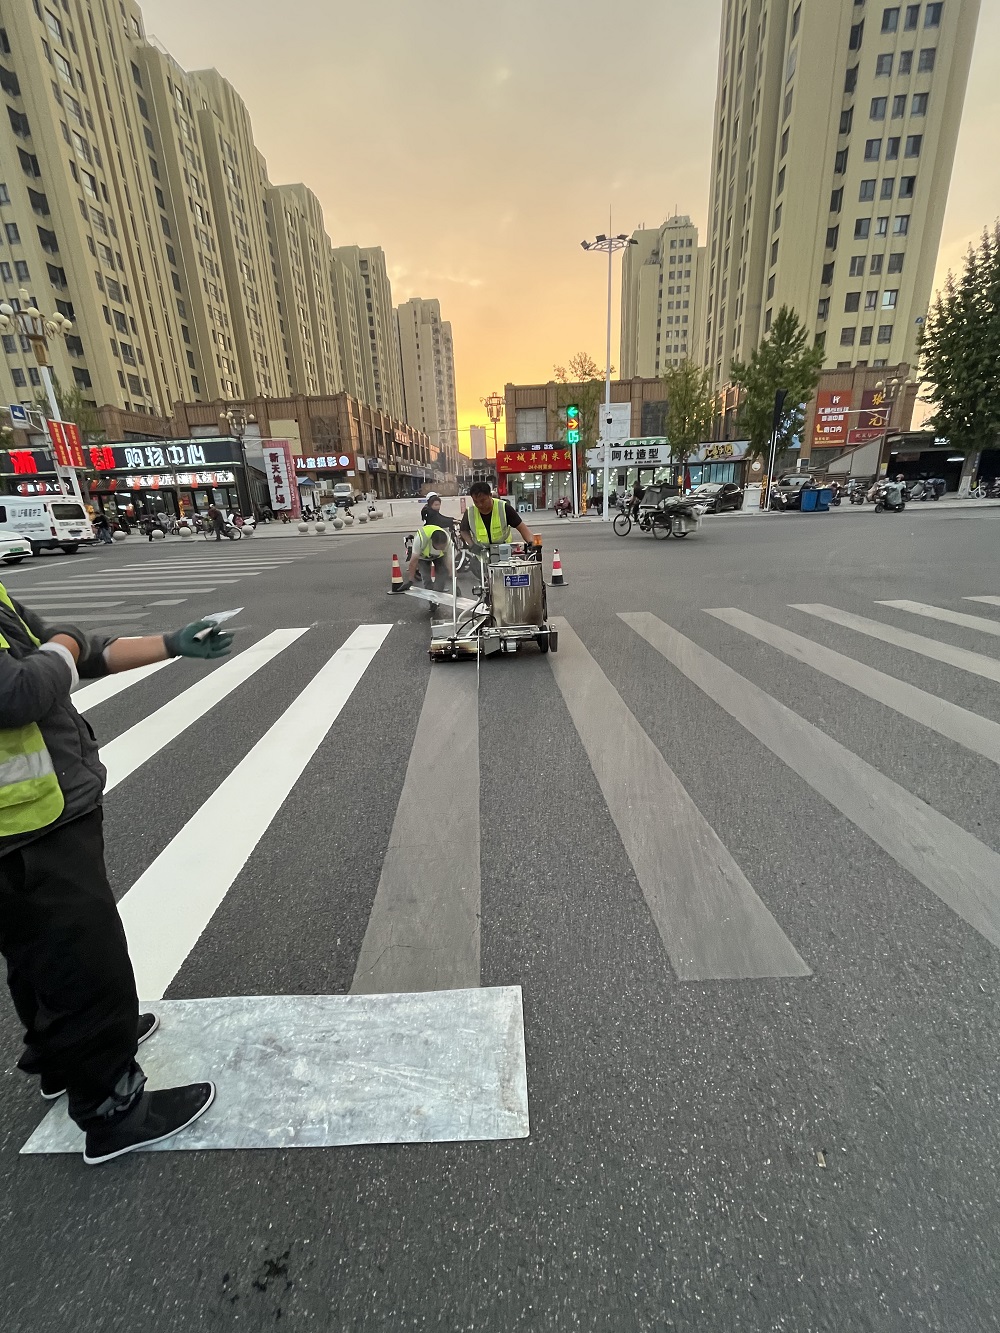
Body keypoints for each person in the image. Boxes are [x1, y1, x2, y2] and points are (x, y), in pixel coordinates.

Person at [0, 591, 234, 1163]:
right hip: (26, 826)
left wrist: (170, 644)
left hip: (34, 818)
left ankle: (61, 1060)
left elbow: (72, 651)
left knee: (40, 959)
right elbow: (18, 691)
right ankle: (114, 1111)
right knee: (86, 964)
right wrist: (65, 643)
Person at [459, 482, 536, 548]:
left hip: (504, 552)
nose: (479, 505)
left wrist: (531, 543)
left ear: (490, 495)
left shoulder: (504, 508)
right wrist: (472, 545)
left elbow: (522, 528)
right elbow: (463, 530)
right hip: (481, 555)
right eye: (476, 501)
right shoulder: (470, 512)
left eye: (482, 501)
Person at [405, 523, 455, 597]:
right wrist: (411, 579)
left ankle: (437, 596)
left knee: (442, 576)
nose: (443, 549)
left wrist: (455, 582)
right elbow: (413, 562)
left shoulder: (448, 543)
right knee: (426, 577)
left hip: (439, 557)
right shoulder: (420, 540)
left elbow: (450, 562)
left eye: (444, 547)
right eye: (441, 547)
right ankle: (430, 598)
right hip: (423, 557)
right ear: (433, 543)